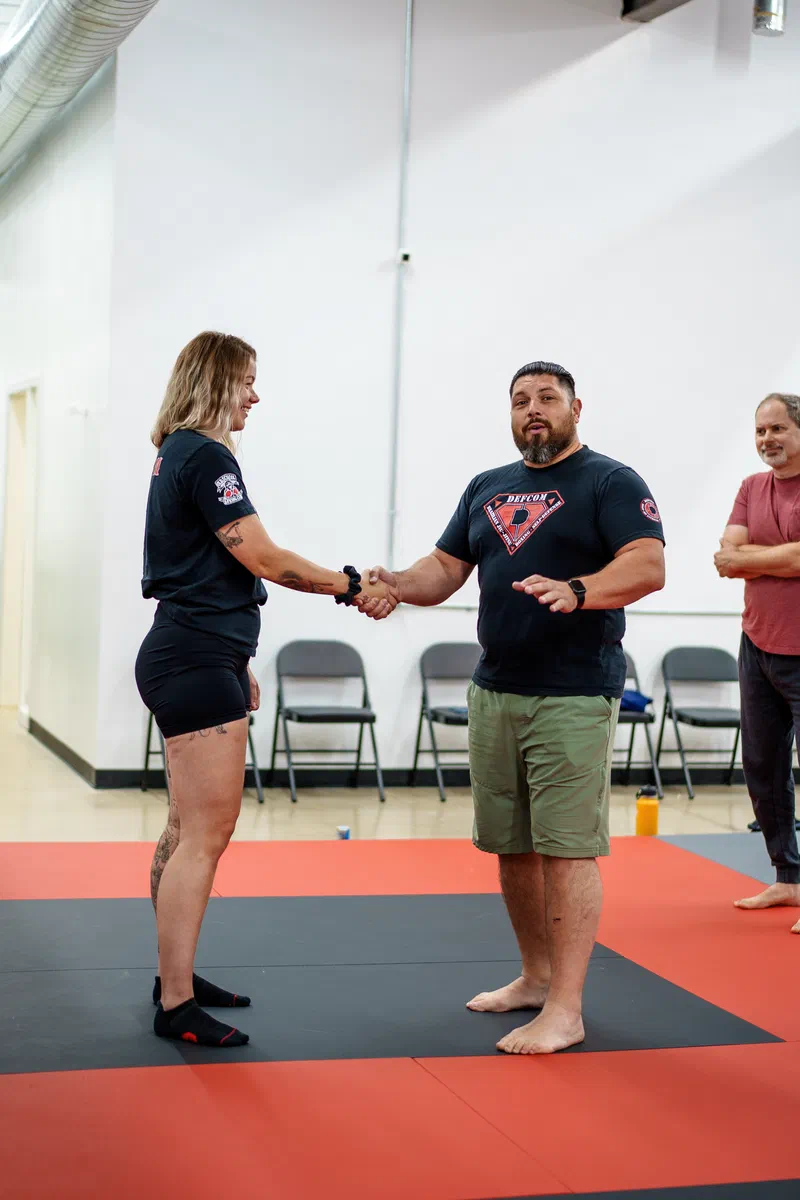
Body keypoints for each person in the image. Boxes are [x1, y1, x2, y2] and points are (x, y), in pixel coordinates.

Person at [360, 361, 665, 1055]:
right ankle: (535, 978)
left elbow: (647, 565)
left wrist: (578, 590)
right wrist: (394, 585)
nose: (533, 408)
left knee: (566, 850)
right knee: (512, 846)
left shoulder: (611, 481)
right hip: (495, 688)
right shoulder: (487, 487)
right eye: (521, 399)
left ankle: (567, 1009)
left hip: (573, 692)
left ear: (575, 409)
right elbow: (444, 569)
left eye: (547, 398)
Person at [135, 331, 387, 1047]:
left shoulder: (179, 451)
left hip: (196, 650)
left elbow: (207, 569)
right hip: (192, 655)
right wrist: (350, 584)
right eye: (246, 380)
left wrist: (234, 656)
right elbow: (266, 558)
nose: (255, 395)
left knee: (184, 828)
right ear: (216, 381)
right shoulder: (206, 456)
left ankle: (175, 977)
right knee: (205, 834)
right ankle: (176, 1004)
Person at [714, 393, 800, 932]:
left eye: (778, 429)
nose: (767, 439)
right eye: (760, 430)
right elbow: (726, 558)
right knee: (763, 768)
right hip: (758, 644)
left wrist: (754, 559)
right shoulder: (751, 487)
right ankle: (788, 877)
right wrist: (781, 559)